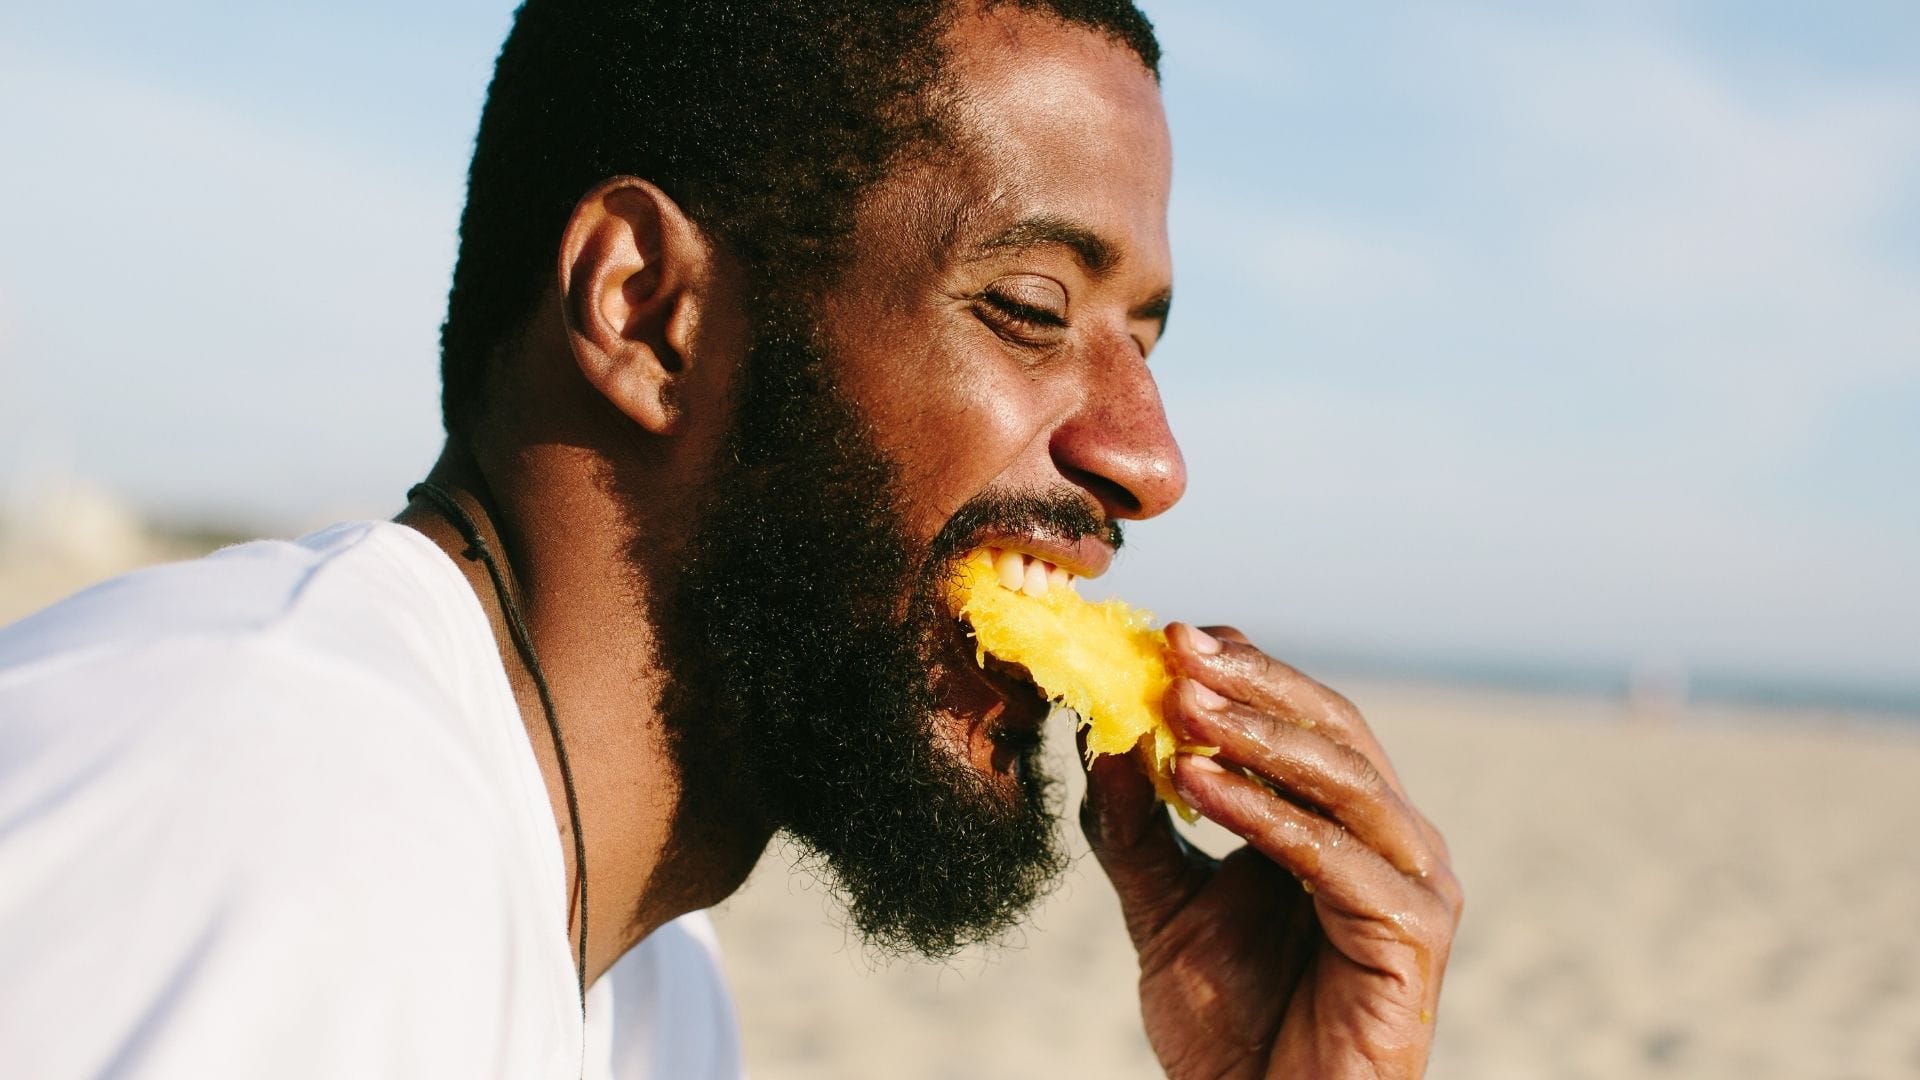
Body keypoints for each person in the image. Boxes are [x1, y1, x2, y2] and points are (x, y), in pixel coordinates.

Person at [0, 1, 1462, 1076]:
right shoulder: (265, 815)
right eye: (1030, 308)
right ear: (648, 311)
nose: (1150, 461)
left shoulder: (651, 987)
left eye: (1141, 343)